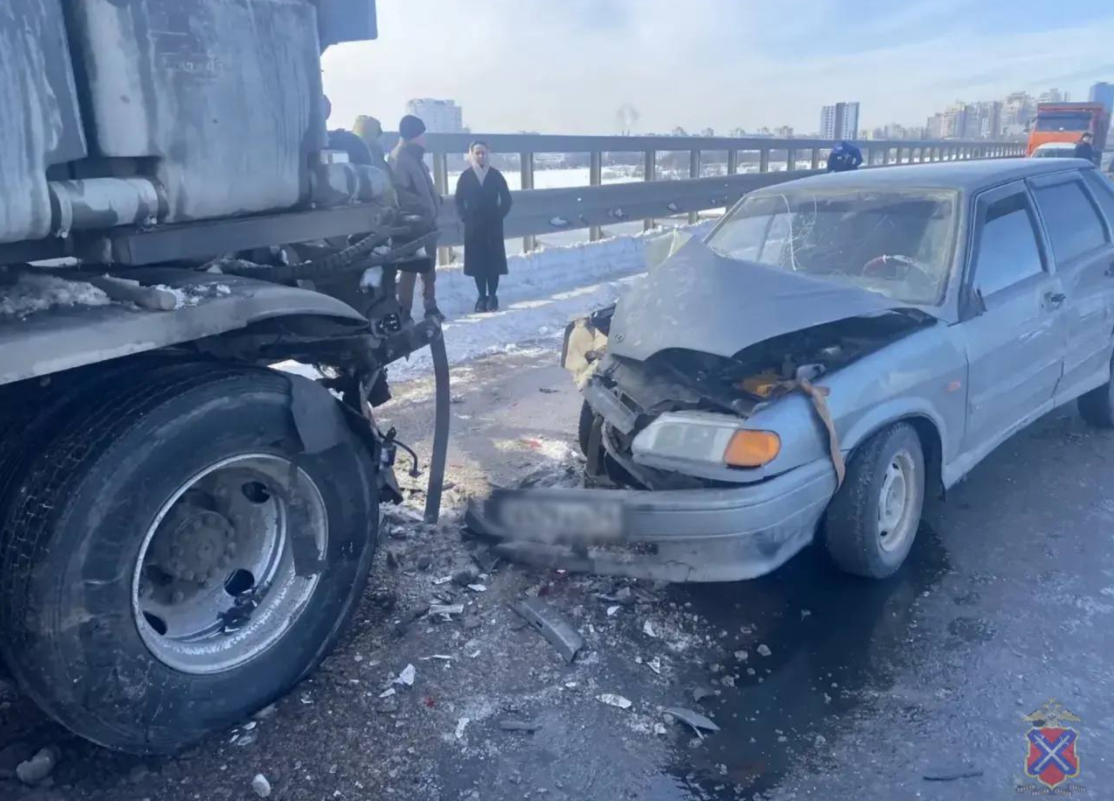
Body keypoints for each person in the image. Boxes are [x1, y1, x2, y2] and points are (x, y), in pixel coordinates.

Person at [388, 114, 442, 321]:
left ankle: (430, 306)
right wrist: (422, 208)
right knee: (410, 268)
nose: (424, 138)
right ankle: (405, 311)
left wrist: (434, 202)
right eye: (421, 134)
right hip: (412, 223)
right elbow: (400, 193)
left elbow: (424, 187)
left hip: (426, 222)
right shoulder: (400, 158)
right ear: (413, 135)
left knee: (428, 268)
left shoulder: (415, 157)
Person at [454, 141, 513, 312]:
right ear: (471, 154)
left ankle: (492, 296)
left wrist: (499, 215)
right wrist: (465, 217)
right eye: (477, 153)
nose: (481, 156)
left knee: (493, 262)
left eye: (483, 153)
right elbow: (458, 200)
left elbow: (507, 199)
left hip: (493, 225)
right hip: (473, 225)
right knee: (478, 262)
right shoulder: (465, 176)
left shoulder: (495, 175)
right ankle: (481, 296)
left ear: (488, 154)